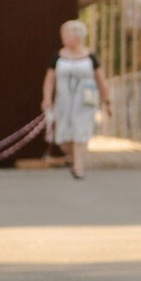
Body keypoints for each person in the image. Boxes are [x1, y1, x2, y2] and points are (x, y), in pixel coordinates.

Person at [42, 18, 104, 178]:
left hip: (85, 101)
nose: (63, 37)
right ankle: (75, 158)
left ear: (77, 37)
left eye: (67, 34)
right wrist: (47, 98)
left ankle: (79, 168)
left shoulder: (90, 57)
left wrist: (107, 100)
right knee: (63, 138)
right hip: (64, 101)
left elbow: (101, 80)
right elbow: (49, 80)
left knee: (80, 131)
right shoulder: (58, 56)